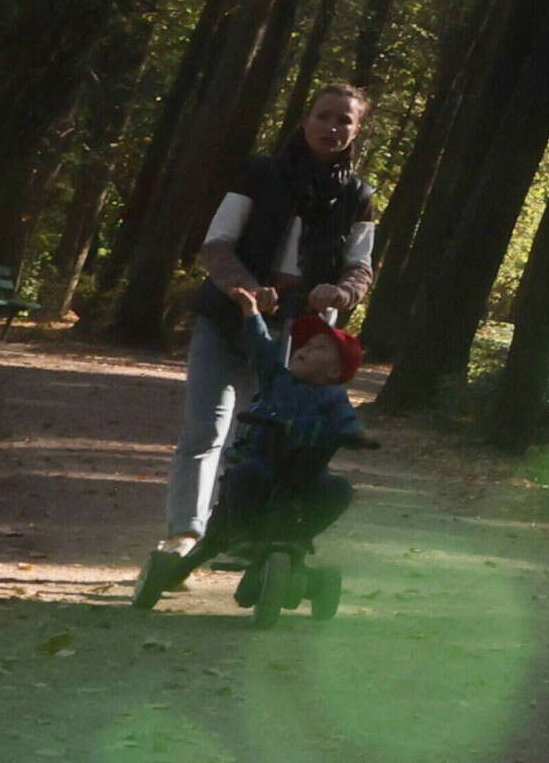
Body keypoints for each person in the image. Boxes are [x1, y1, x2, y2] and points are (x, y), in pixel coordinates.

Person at [140, 85, 376, 591]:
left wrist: (342, 292)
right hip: (228, 318)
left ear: (357, 131)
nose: (332, 127)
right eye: (323, 116)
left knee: (265, 436)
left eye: (344, 121)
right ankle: (183, 534)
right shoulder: (259, 173)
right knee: (206, 429)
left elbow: (361, 267)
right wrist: (246, 290)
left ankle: (247, 535)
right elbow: (217, 244)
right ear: (305, 120)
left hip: (296, 331)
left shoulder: (358, 194)